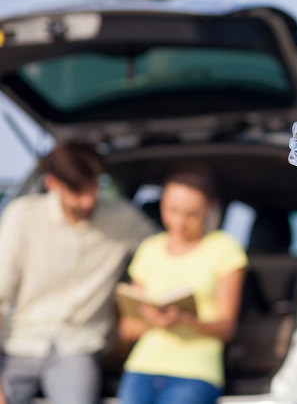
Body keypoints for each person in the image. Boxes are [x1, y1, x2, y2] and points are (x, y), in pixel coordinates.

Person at [0, 140, 158, 404]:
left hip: (77, 348)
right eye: (77, 191)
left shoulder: (122, 218)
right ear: (52, 184)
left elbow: (166, 252)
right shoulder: (22, 217)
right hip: (18, 346)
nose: (89, 199)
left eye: (95, 187)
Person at [117, 165, 247, 404]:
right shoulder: (149, 249)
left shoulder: (225, 249)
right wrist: (154, 320)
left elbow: (227, 328)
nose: (179, 221)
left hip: (196, 372)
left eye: (191, 214)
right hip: (141, 367)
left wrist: (186, 320)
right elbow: (127, 329)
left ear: (209, 209)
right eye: (172, 210)